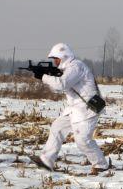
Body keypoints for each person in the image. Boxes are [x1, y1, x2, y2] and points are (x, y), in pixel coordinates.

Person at [30, 43, 109, 174]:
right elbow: (59, 87)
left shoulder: (76, 67)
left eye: (56, 58)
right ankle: (46, 161)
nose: (55, 62)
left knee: (83, 140)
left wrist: (43, 76)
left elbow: (62, 84)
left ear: (64, 56)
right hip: (75, 109)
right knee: (57, 127)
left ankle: (101, 165)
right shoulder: (68, 69)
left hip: (87, 110)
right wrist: (47, 75)